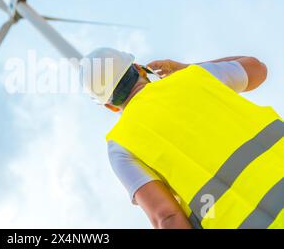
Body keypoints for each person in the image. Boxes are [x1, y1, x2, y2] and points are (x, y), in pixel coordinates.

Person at [80, 48, 283, 229]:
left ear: (109, 105)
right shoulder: (194, 77)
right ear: (138, 68)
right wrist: (186, 68)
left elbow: (166, 217)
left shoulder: (120, 145)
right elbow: (257, 69)